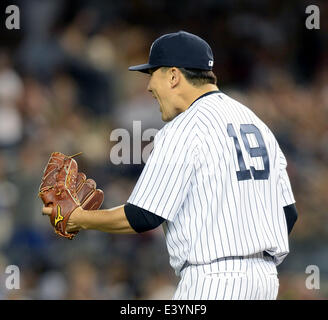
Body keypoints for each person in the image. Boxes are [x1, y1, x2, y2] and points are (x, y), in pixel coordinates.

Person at [43, 30, 298, 300]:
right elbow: (288, 214)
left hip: (212, 282)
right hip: (265, 281)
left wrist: (77, 218)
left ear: (174, 76)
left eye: (153, 74)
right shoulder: (256, 124)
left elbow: (142, 217)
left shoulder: (184, 127)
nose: (149, 86)